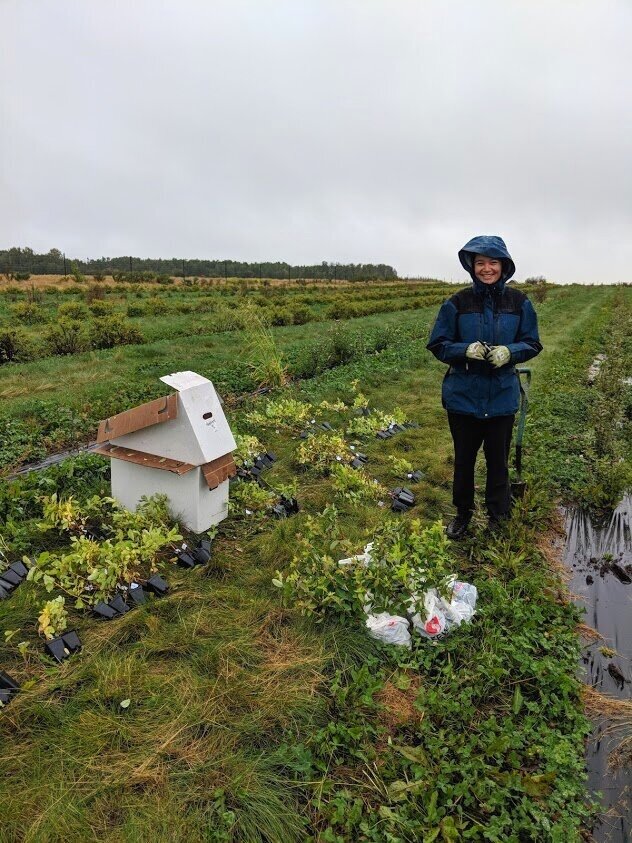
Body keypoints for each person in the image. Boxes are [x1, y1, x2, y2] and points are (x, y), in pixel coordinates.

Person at [426, 235, 542, 539]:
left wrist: (510, 352)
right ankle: (463, 513)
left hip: (502, 397)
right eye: (480, 263)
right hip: (463, 397)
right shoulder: (457, 302)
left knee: (497, 461)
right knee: (463, 460)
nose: (486, 268)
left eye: (493, 262)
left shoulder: (519, 302)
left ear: (504, 266)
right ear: (471, 266)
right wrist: (464, 349)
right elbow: (438, 343)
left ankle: (497, 515)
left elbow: (532, 342)